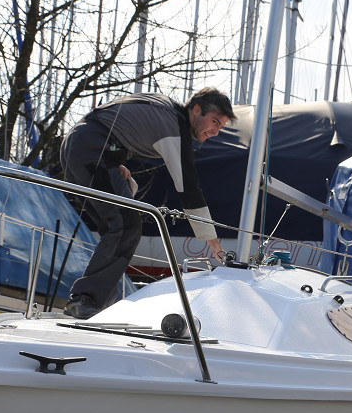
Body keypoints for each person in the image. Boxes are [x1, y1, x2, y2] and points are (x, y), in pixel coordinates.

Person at [61, 88, 235, 319]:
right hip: (93, 150)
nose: (215, 131)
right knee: (126, 225)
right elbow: (188, 187)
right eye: (214, 121)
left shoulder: (165, 108)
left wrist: (114, 161)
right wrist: (213, 243)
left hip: (82, 144)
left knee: (117, 227)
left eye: (221, 127)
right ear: (196, 110)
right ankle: (87, 301)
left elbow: (115, 119)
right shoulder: (175, 127)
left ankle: (98, 304)